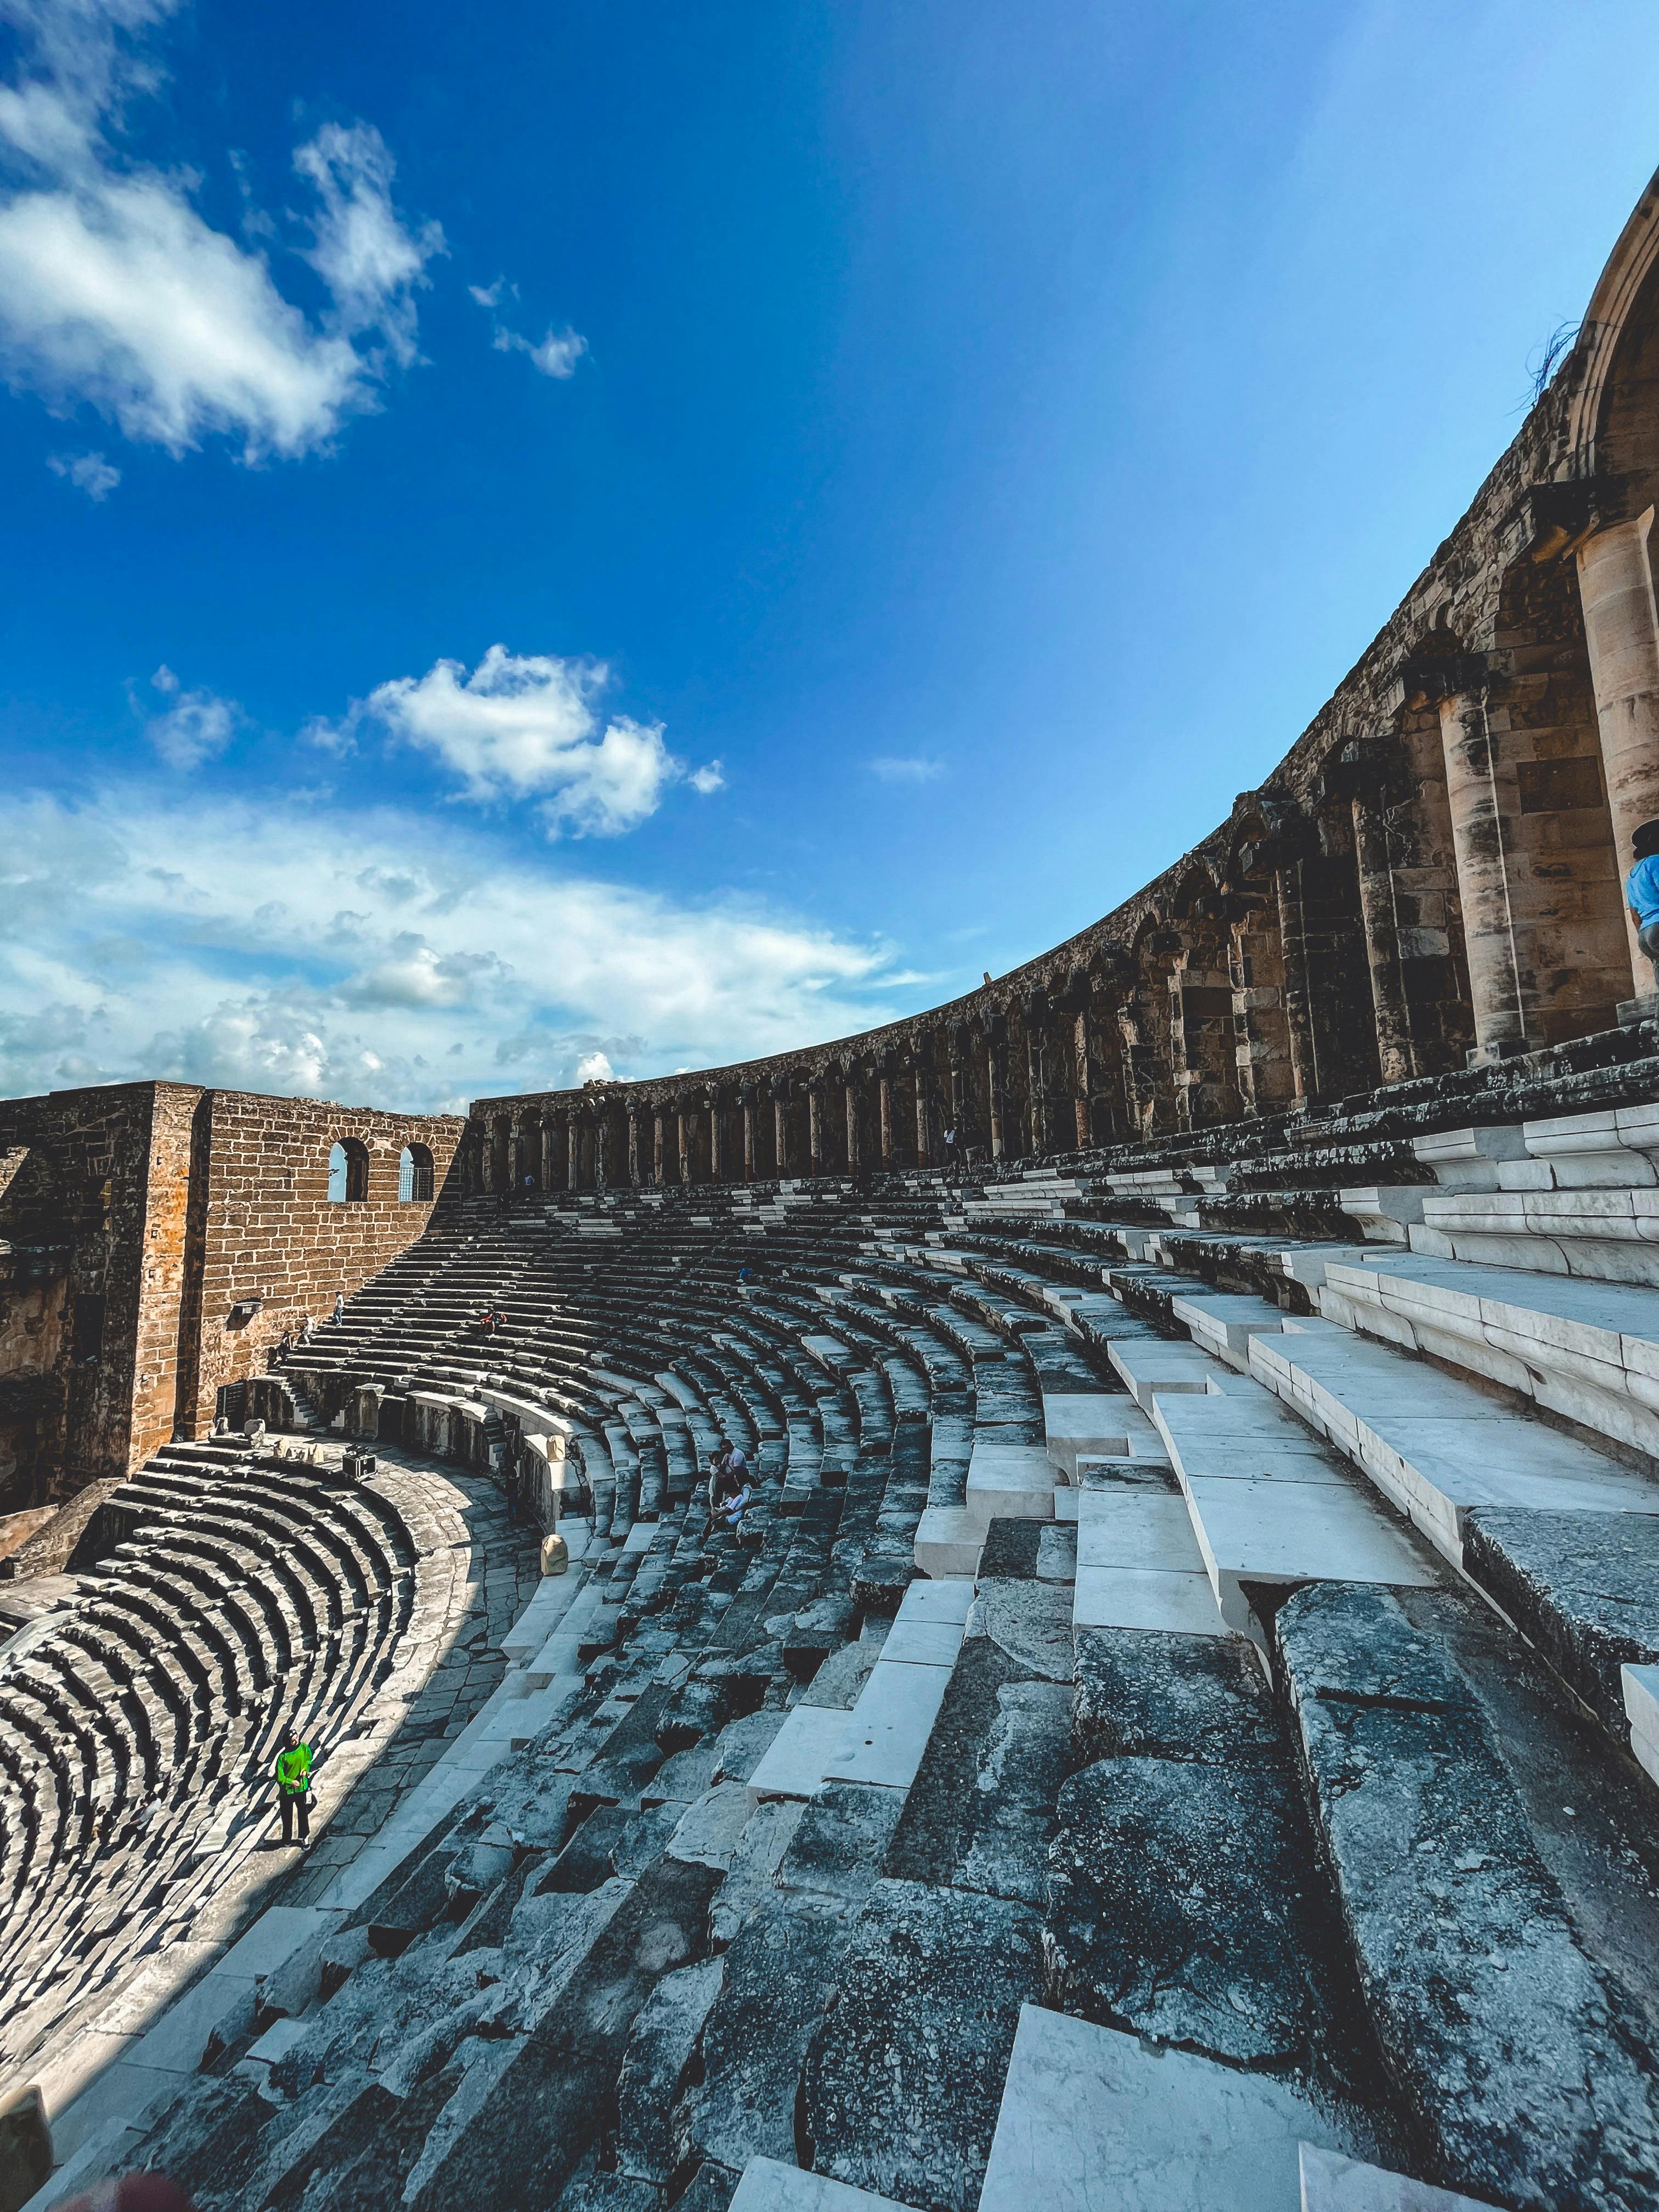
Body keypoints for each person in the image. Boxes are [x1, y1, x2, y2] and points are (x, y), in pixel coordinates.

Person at [1628, 817, 1659, 990]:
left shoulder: (1632, 875)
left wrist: (1644, 934)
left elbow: (1634, 915)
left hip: (1645, 936)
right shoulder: (1656, 861)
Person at [274, 1728, 313, 1847]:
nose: (296, 1741)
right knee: (287, 1816)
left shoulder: (304, 1747)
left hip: (301, 1788)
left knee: (302, 1813)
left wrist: (306, 1770)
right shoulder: (283, 1757)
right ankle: (287, 1839)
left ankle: (304, 1836)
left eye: (297, 1738)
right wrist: (291, 1782)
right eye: (293, 1740)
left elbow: (308, 1759)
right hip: (287, 1792)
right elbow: (280, 1777)